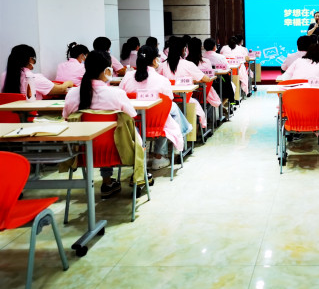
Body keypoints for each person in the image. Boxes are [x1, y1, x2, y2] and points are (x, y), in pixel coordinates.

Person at [63, 51, 137, 198]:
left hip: (81, 152)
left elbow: (66, 117)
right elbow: (132, 116)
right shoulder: (116, 94)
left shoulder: (72, 94)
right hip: (118, 150)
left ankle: (107, 181)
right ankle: (137, 176)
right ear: (107, 70)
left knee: (101, 137)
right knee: (125, 133)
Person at [120, 45, 191, 170]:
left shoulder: (127, 77)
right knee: (170, 111)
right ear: (154, 60)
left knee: (169, 111)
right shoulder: (162, 80)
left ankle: (180, 135)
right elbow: (168, 101)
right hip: (156, 124)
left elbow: (120, 97)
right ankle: (161, 154)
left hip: (132, 126)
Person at [158, 38, 213, 128]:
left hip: (167, 101)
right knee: (196, 104)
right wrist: (192, 80)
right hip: (185, 99)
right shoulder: (188, 64)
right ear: (184, 50)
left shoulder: (162, 65)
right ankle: (195, 131)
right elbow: (206, 79)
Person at [1, 44, 72, 99]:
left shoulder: (4, 76)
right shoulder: (33, 78)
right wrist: (69, 83)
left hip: (7, 113)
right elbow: (61, 89)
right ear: (30, 59)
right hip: (31, 112)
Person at [185, 37, 222, 108]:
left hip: (187, 93)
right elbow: (209, 77)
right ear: (200, 48)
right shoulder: (205, 61)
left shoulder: (185, 63)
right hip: (203, 92)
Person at [203, 38, 235, 103]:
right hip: (220, 83)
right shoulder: (220, 57)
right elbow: (228, 68)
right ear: (214, 47)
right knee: (230, 85)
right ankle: (222, 105)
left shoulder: (201, 57)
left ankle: (220, 106)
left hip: (205, 84)